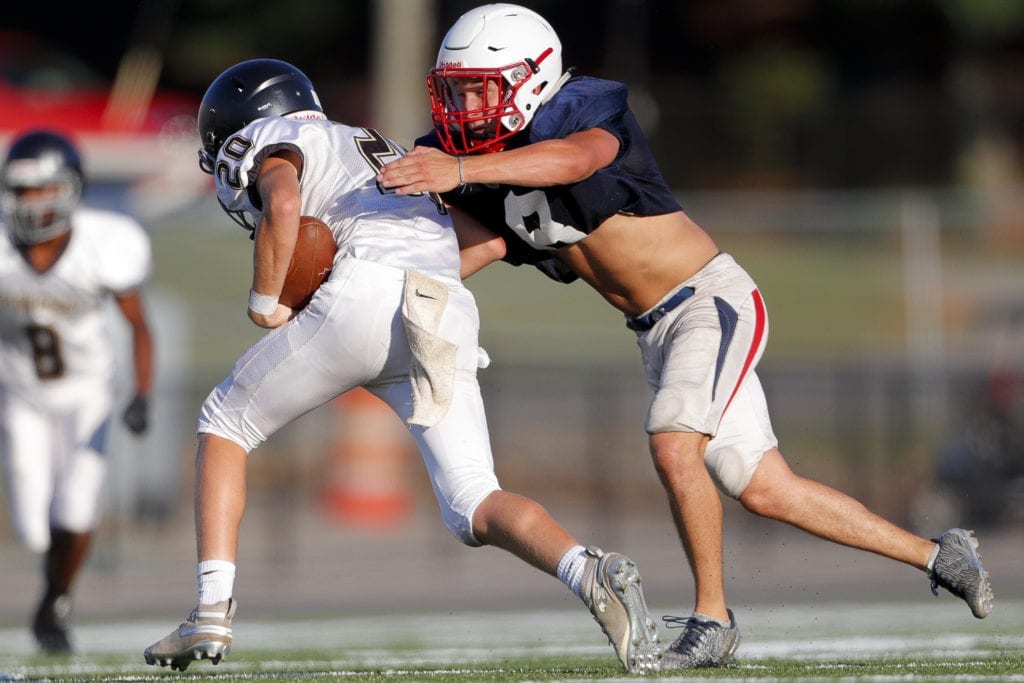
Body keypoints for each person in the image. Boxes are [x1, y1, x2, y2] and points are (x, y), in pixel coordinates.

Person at [377, 3, 995, 669]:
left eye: (477, 88)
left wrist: (461, 173)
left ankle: (714, 617)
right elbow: (465, 250)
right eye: (455, 89)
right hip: (656, 331)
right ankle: (939, 554)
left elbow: (572, 160)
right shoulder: (484, 167)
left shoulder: (580, 107)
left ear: (531, 79)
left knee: (675, 444)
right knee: (764, 486)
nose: (462, 106)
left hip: (709, 298)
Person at [142, 58, 662, 674]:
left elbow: (282, 205)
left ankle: (209, 611)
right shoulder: (374, 143)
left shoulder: (279, 139)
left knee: (225, 423)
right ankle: (588, 570)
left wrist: (267, 303)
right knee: (474, 501)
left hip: (366, 292)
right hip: (443, 305)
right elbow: (487, 241)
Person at [0, 130, 154, 654]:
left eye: (43, 189)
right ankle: (54, 583)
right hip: (21, 394)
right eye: (22, 191)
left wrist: (142, 394)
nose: (30, 202)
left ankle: (54, 602)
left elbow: (139, 325)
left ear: (69, 189)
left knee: (77, 509)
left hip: (88, 392)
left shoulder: (103, 242)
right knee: (35, 531)